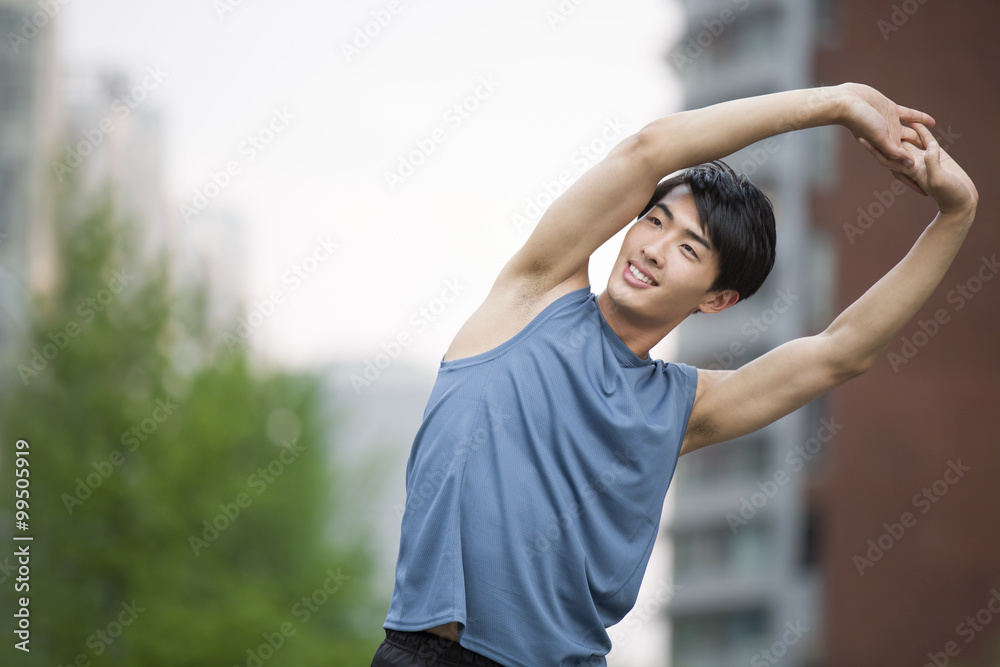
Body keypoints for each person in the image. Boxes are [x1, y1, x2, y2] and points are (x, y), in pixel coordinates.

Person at [370, 83, 978, 667]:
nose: (655, 249)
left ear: (716, 300)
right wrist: (837, 102)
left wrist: (957, 212)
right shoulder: (534, 294)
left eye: (690, 249)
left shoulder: (683, 408)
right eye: (655, 222)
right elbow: (651, 148)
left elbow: (840, 351)